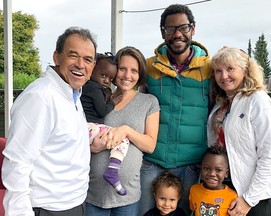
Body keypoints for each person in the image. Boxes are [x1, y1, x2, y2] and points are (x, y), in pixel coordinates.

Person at [1, 27, 97, 215]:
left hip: (73, 202)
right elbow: (17, 162)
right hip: (48, 208)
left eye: (87, 59)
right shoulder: (41, 97)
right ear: (56, 57)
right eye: (73, 55)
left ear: (93, 65)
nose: (80, 64)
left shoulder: (71, 93)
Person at [139, 4, 212, 215]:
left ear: (193, 29)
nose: (177, 34)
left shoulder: (210, 67)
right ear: (163, 32)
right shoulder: (149, 66)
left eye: (183, 27)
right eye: (170, 29)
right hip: (153, 160)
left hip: (191, 165)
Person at [86, 46, 160, 216]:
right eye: (123, 69)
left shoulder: (149, 102)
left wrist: (125, 130)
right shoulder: (101, 98)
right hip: (93, 193)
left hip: (127, 196)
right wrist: (90, 146)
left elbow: (150, 145)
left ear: (140, 74)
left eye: (134, 71)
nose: (128, 75)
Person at [207, 47, 271, 216]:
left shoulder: (258, 101)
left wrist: (248, 199)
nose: (224, 76)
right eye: (218, 71)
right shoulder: (221, 102)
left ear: (245, 70)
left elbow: (267, 156)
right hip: (225, 187)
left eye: (230, 69)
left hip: (251, 194)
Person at [80, 53, 128, 195]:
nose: (107, 81)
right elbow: (102, 111)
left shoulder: (88, 86)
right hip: (89, 127)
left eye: (111, 78)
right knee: (121, 137)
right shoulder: (94, 88)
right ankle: (113, 170)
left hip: (85, 129)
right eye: (103, 75)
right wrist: (113, 102)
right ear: (93, 69)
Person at [189, 146, 237, 216]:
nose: (212, 174)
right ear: (200, 169)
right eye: (206, 168)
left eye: (218, 170)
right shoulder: (194, 190)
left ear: (226, 173)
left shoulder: (233, 196)